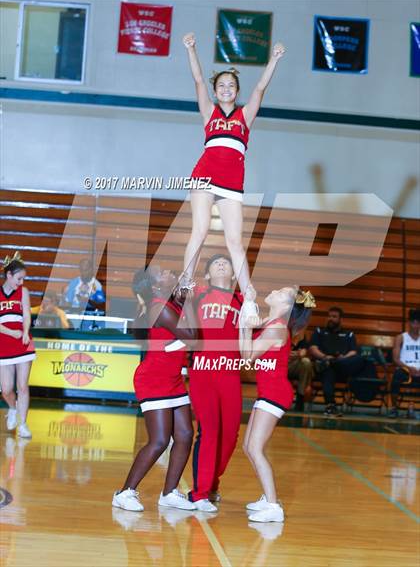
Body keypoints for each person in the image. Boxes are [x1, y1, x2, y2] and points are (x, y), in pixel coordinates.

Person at [181, 32, 286, 323]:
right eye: (221, 85)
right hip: (203, 176)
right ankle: (185, 286)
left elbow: (261, 89)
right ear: (216, 90)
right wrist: (191, 49)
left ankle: (249, 299)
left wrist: (274, 59)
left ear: (237, 91)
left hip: (231, 184)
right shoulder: (208, 111)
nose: (226, 89)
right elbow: (199, 80)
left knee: (235, 243)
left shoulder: (245, 116)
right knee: (199, 231)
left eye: (231, 85)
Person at [112, 266, 198, 512]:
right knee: (159, 440)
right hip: (154, 379)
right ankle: (125, 492)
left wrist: (183, 298)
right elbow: (193, 337)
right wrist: (188, 300)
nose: (169, 271)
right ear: (154, 286)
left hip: (172, 379)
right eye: (162, 273)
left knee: (184, 435)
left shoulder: (170, 304)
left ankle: (169, 493)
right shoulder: (158, 306)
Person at [240, 288, 315, 522]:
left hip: (274, 393)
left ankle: (273, 507)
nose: (275, 290)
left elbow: (247, 357)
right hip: (269, 392)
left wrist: (245, 326)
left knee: (254, 448)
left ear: (287, 306)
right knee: (247, 446)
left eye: (282, 292)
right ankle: (267, 496)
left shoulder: (276, 327)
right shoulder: (272, 323)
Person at [188, 254, 243, 512]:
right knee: (208, 430)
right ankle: (199, 493)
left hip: (230, 371)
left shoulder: (242, 301)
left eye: (227, 263)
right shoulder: (199, 292)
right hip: (203, 370)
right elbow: (183, 282)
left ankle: (212, 482)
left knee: (230, 435)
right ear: (208, 274)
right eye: (215, 263)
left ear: (234, 274)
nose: (222, 264)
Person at [0, 252, 36, 438]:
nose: (21, 282)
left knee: (22, 386)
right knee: (6, 389)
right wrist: (10, 332)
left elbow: (27, 315)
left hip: (23, 341)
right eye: (19, 278)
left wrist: (24, 331)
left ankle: (23, 425)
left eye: (23, 279)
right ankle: (12, 408)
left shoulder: (24, 292)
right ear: (9, 275)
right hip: (3, 343)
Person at [309, 307, 365, 417]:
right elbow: (313, 349)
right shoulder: (319, 331)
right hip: (324, 366)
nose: (330, 319)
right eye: (329, 316)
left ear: (341, 319)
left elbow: (353, 352)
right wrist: (325, 357)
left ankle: (334, 363)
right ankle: (331, 405)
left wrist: (343, 358)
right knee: (329, 370)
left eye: (334, 317)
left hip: (343, 366)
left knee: (360, 359)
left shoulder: (349, 334)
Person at [389, 308, 420, 419]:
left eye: (417, 323)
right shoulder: (401, 338)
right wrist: (409, 368)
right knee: (396, 377)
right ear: (409, 323)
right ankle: (394, 408)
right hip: (405, 369)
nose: (415, 325)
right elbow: (396, 359)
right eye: (413, 322)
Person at [288, 333, 314, 411]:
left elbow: (303, 352)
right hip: (279, 363)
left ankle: (300, 397)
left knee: (306, 362)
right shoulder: (279, 330)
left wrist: (297, 354)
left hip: (293, 363)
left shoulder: (300, 334)